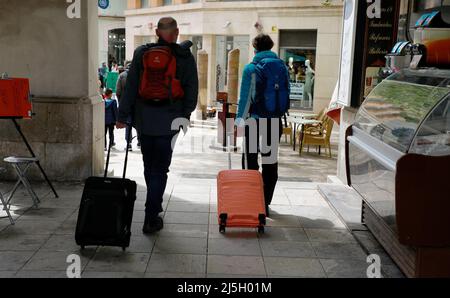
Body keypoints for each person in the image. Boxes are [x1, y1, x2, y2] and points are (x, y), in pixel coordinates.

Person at [117, 17, 199, 234]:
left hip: (144, 119)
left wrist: (122, 115)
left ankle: (153, 203)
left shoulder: (141, 53)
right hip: (169, 119)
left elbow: (131, 86)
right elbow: (192, 90)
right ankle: (151, 215)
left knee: (149, 165)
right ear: (177, 32)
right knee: (160, 169)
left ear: (156, 32)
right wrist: (185, 115)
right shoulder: (184, 57)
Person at [236, 34, 290, 217]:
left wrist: (238, 121)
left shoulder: (251, 68)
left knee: (250, 160)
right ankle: (265, 203)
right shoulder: (282, 66)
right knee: (270, 161)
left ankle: (253, 200)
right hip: (275, 120)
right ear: (272, 46)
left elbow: (244, 99)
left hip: (254, 120)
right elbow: (286, 92)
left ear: (255, 48)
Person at [116, 62, 140, 150]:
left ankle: (129, 143)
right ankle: (140, 141)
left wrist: (121, 103)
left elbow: (118, 91)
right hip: (137, 104)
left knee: (128, 124)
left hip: (126, 104)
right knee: (139, 123)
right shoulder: (139, 74)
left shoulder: (122, 76)